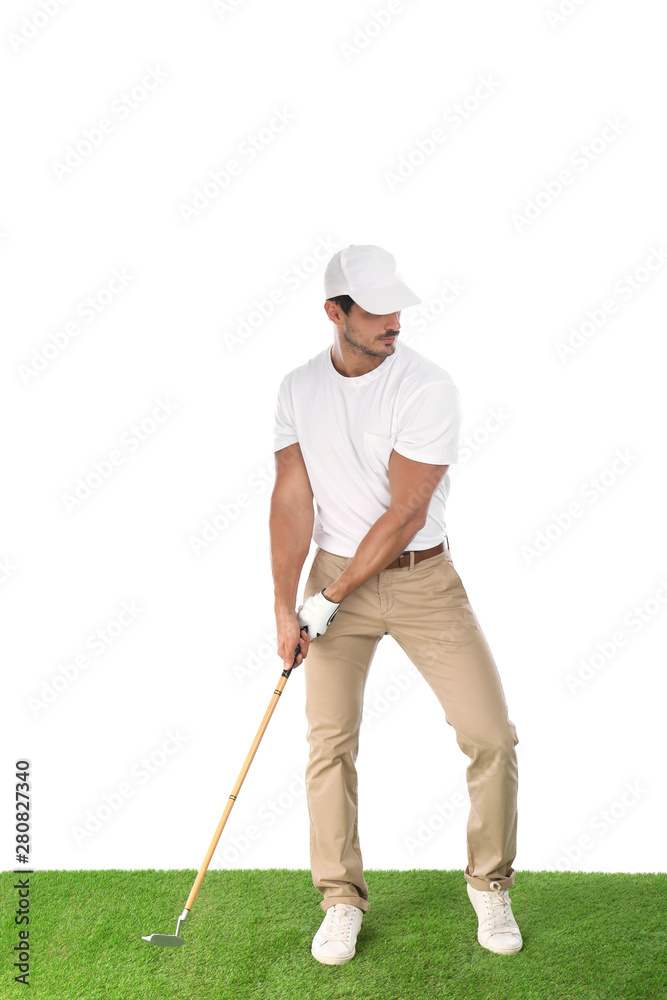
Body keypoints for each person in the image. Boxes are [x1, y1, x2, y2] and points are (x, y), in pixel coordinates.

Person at [269, 244, 522, 965]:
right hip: (332, 577)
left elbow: (407, 512)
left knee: (491, 736)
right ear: (334, 312)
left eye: (398, 307)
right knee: (329, 743)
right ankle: (340, 898)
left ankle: (489, 883)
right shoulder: (297, 388)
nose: (394, 322)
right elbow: (291, 501)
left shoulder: (426, 386)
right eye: (376, 310)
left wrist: (330, 598)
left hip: (421, 581)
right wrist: (286, 607)